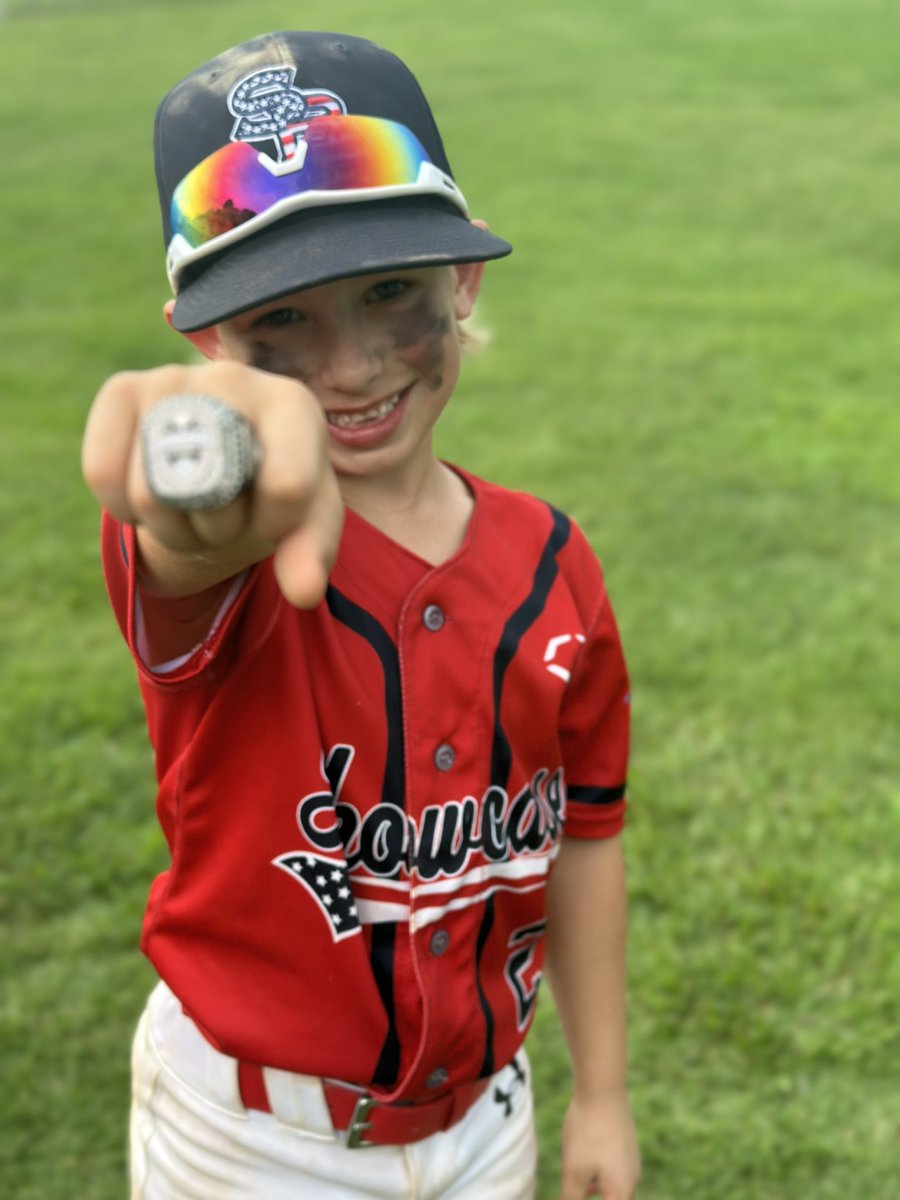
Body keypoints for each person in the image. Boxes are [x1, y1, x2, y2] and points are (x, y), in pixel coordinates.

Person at [81, 29, 641, 1200]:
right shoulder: (231, 553)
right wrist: (187, 461)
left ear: (462, 280)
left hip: (486, 1119)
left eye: (389, 292)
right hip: (249, 1144)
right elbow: (178, 539)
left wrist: (601, 1094)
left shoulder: (553, 561)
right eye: (279, 319)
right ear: (206, 337)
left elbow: (585, 833)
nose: (346, 367)